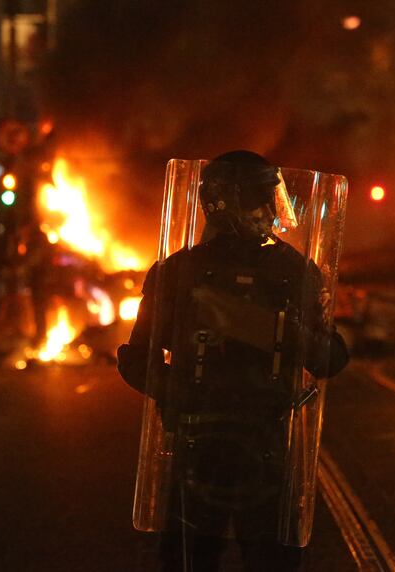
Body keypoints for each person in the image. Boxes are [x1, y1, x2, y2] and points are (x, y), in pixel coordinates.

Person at [117, 151, 349, 571]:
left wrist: (293, 337)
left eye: (271, 197)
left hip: (268, 448)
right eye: (261, 199)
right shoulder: (180, 272)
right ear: (225, 204)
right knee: (189, 561)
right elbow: (136, 357)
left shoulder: (294, 271)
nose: (272, 211)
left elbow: (331, 357)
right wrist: (183, 394)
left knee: (273, 562)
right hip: (197, 447)